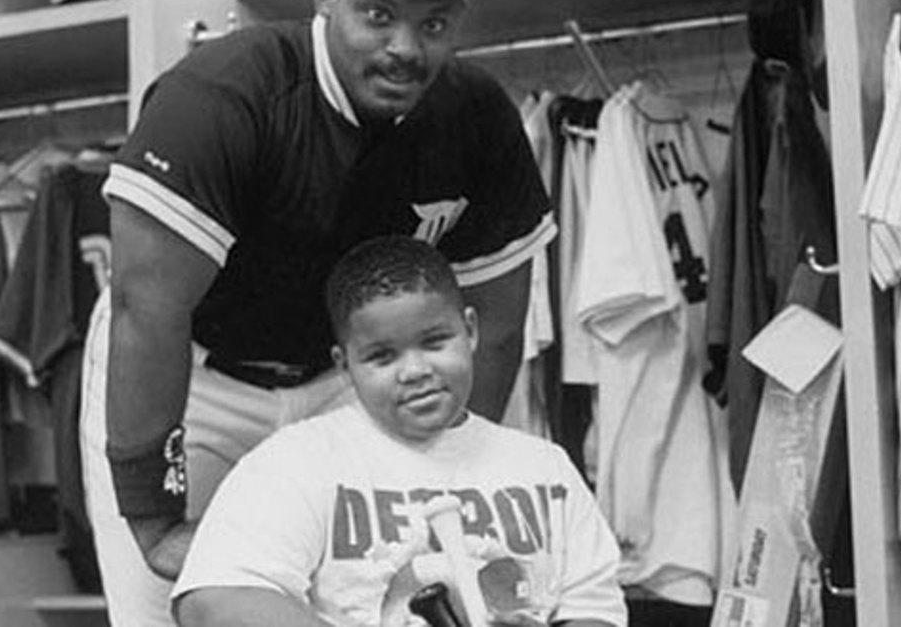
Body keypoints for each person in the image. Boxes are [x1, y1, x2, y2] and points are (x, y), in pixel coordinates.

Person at [81, 0, 556, 625]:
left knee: (370, 608)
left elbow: (492, 325)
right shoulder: (224, 93)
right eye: (378, 14)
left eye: (433, 23)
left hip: (345, 384)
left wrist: (453, 467)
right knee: (166, 613)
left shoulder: (475, 117)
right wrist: (153, 518)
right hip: (195, 378)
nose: (405, 47)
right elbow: (149, 310)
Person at [171, 235, 626, 627]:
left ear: (470, 330)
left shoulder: (543, 467)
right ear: (343, 365)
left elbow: (593, 608)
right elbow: (213, 601)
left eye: (434, 342)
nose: (415, 371)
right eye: (382, 357)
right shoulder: (298, 462)